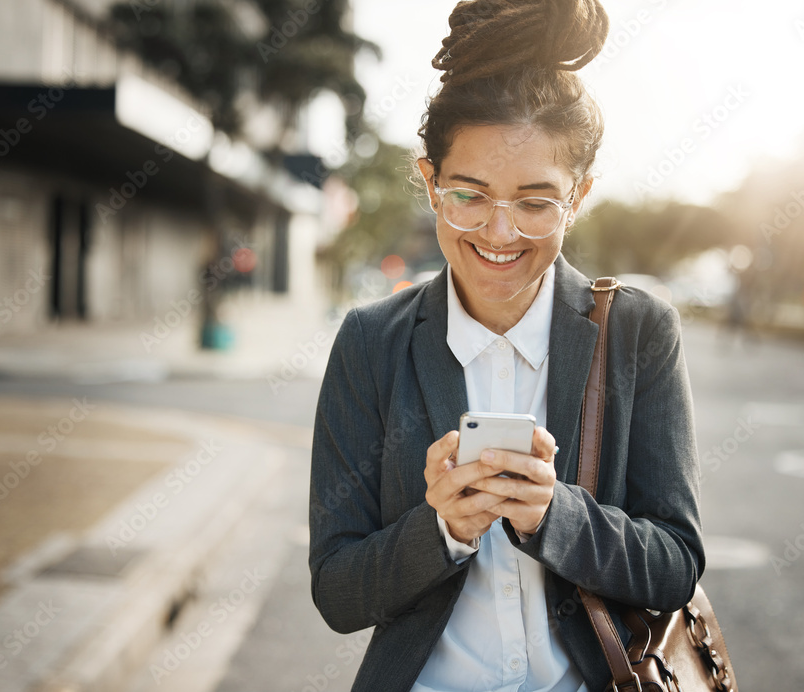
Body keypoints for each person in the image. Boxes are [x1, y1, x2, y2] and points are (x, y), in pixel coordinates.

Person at [308, 1, 704, 690]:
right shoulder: (370, 343)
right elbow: (338, 591)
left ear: (578, 196)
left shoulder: (641, 331)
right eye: (470, 194)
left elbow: (674, 563)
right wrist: (441, 531)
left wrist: (558, 516)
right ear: (430, 183)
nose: (498, 233)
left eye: (534, 201)